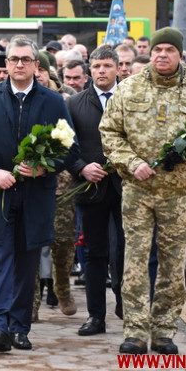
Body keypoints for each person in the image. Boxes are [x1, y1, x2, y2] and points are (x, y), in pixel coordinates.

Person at [100, 27, 186, 355]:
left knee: (172, 263)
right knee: (135, 260)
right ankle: (135, 330)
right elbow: (110, 132)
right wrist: (131, 162)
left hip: (179, 193)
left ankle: (164, 330)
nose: (162, 55)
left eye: (170, 50)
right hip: (138, 190)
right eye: (158, 50)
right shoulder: (128, 89)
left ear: (181, 55)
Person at [0, 37, 77, 353]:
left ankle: (20, 327)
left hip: (36, 195)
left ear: (37, 65)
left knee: (27, 265)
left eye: (26, 59)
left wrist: (43, 168)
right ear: (5, 64)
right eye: (14, 59)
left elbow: (70, 147)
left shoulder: (52, 101)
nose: (20, 64)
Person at [65, 46, 125, 336]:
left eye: (107, 66)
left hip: (127, 187)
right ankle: (95, 317)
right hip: (91, 188)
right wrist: (81, 167)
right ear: (90, 71)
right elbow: (64, 143)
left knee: (126, 250)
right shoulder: (75, 103)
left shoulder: (130, 99)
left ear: (117, 69)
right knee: (95, 254)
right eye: (97, 66)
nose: (102, 71)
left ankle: (126, 304)